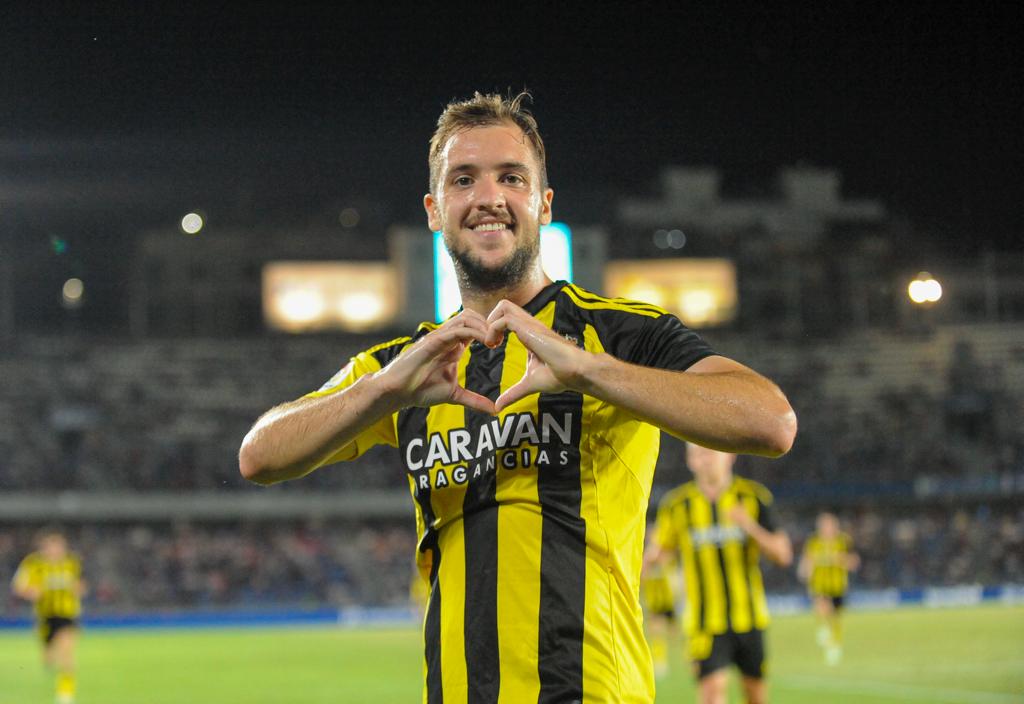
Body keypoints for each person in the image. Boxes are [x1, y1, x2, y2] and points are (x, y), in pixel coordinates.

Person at [238, 91, 797, 703]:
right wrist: (382, 391)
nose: (488, 198)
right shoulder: (407, 368)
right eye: (463, 180)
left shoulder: (617, 334)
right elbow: (259, 456)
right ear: (434, 209)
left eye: (511, 177)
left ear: (543, 203)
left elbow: (771, 421)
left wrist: (590, 373)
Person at [646, 444, 793, 704]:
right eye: (697, 454)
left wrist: (749, 526)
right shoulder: (677, 505)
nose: (704, 460)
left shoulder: (753, 497)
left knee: (756, 697)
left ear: (730, 456)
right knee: (712, 695)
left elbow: (783, 555)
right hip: (704, 623)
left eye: (710, 453)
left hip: (750, 619)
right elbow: (660, 553)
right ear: (689, 461)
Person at [11, 528, 86, 704]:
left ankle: (65, 696)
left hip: (67, 614)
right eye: (51, 547)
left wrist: (77, 589)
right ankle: (50, 664)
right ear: (43, 548)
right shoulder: (32, 563)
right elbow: (18, 587)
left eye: (59, 547)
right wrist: (31, 592)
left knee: (67, 653)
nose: (55, 551)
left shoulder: (72, 563)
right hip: (44, 616)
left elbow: (82, 585)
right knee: (49, 658)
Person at [797, 511, 859, 665]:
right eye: (822, 525)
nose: (825, 528)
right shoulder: (814, 541)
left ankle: (835, 645)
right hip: (819, 584)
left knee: (836, 617)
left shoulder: (844, 541)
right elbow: (807, 559)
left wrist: (839, 559)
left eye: (828, 525)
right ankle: (823, 628)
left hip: (838, 585)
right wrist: (805, 570)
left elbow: (854, 562)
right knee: (822, 605)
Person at [640, 525, 678, 680]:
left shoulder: (664, 556)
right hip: (654, 601)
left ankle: (682, 659)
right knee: (656, 631)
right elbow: (641, 578)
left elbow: (669, 563)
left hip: (668, 599)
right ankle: (660, 661)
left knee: (674, 632)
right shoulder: (646, 560)